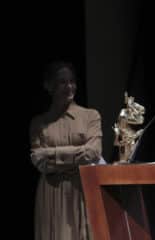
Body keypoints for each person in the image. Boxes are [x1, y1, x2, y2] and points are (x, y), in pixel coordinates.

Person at [29, 61, 103, 240]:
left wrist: (51, 154)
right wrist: (77, 153)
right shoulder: (39, 123)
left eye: (72, 81)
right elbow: (39, 160)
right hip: (51, 192)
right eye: (62, 82)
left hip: (82, 188)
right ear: (49, 86)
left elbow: (93, 153)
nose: (69, 86)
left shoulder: (90, 116)